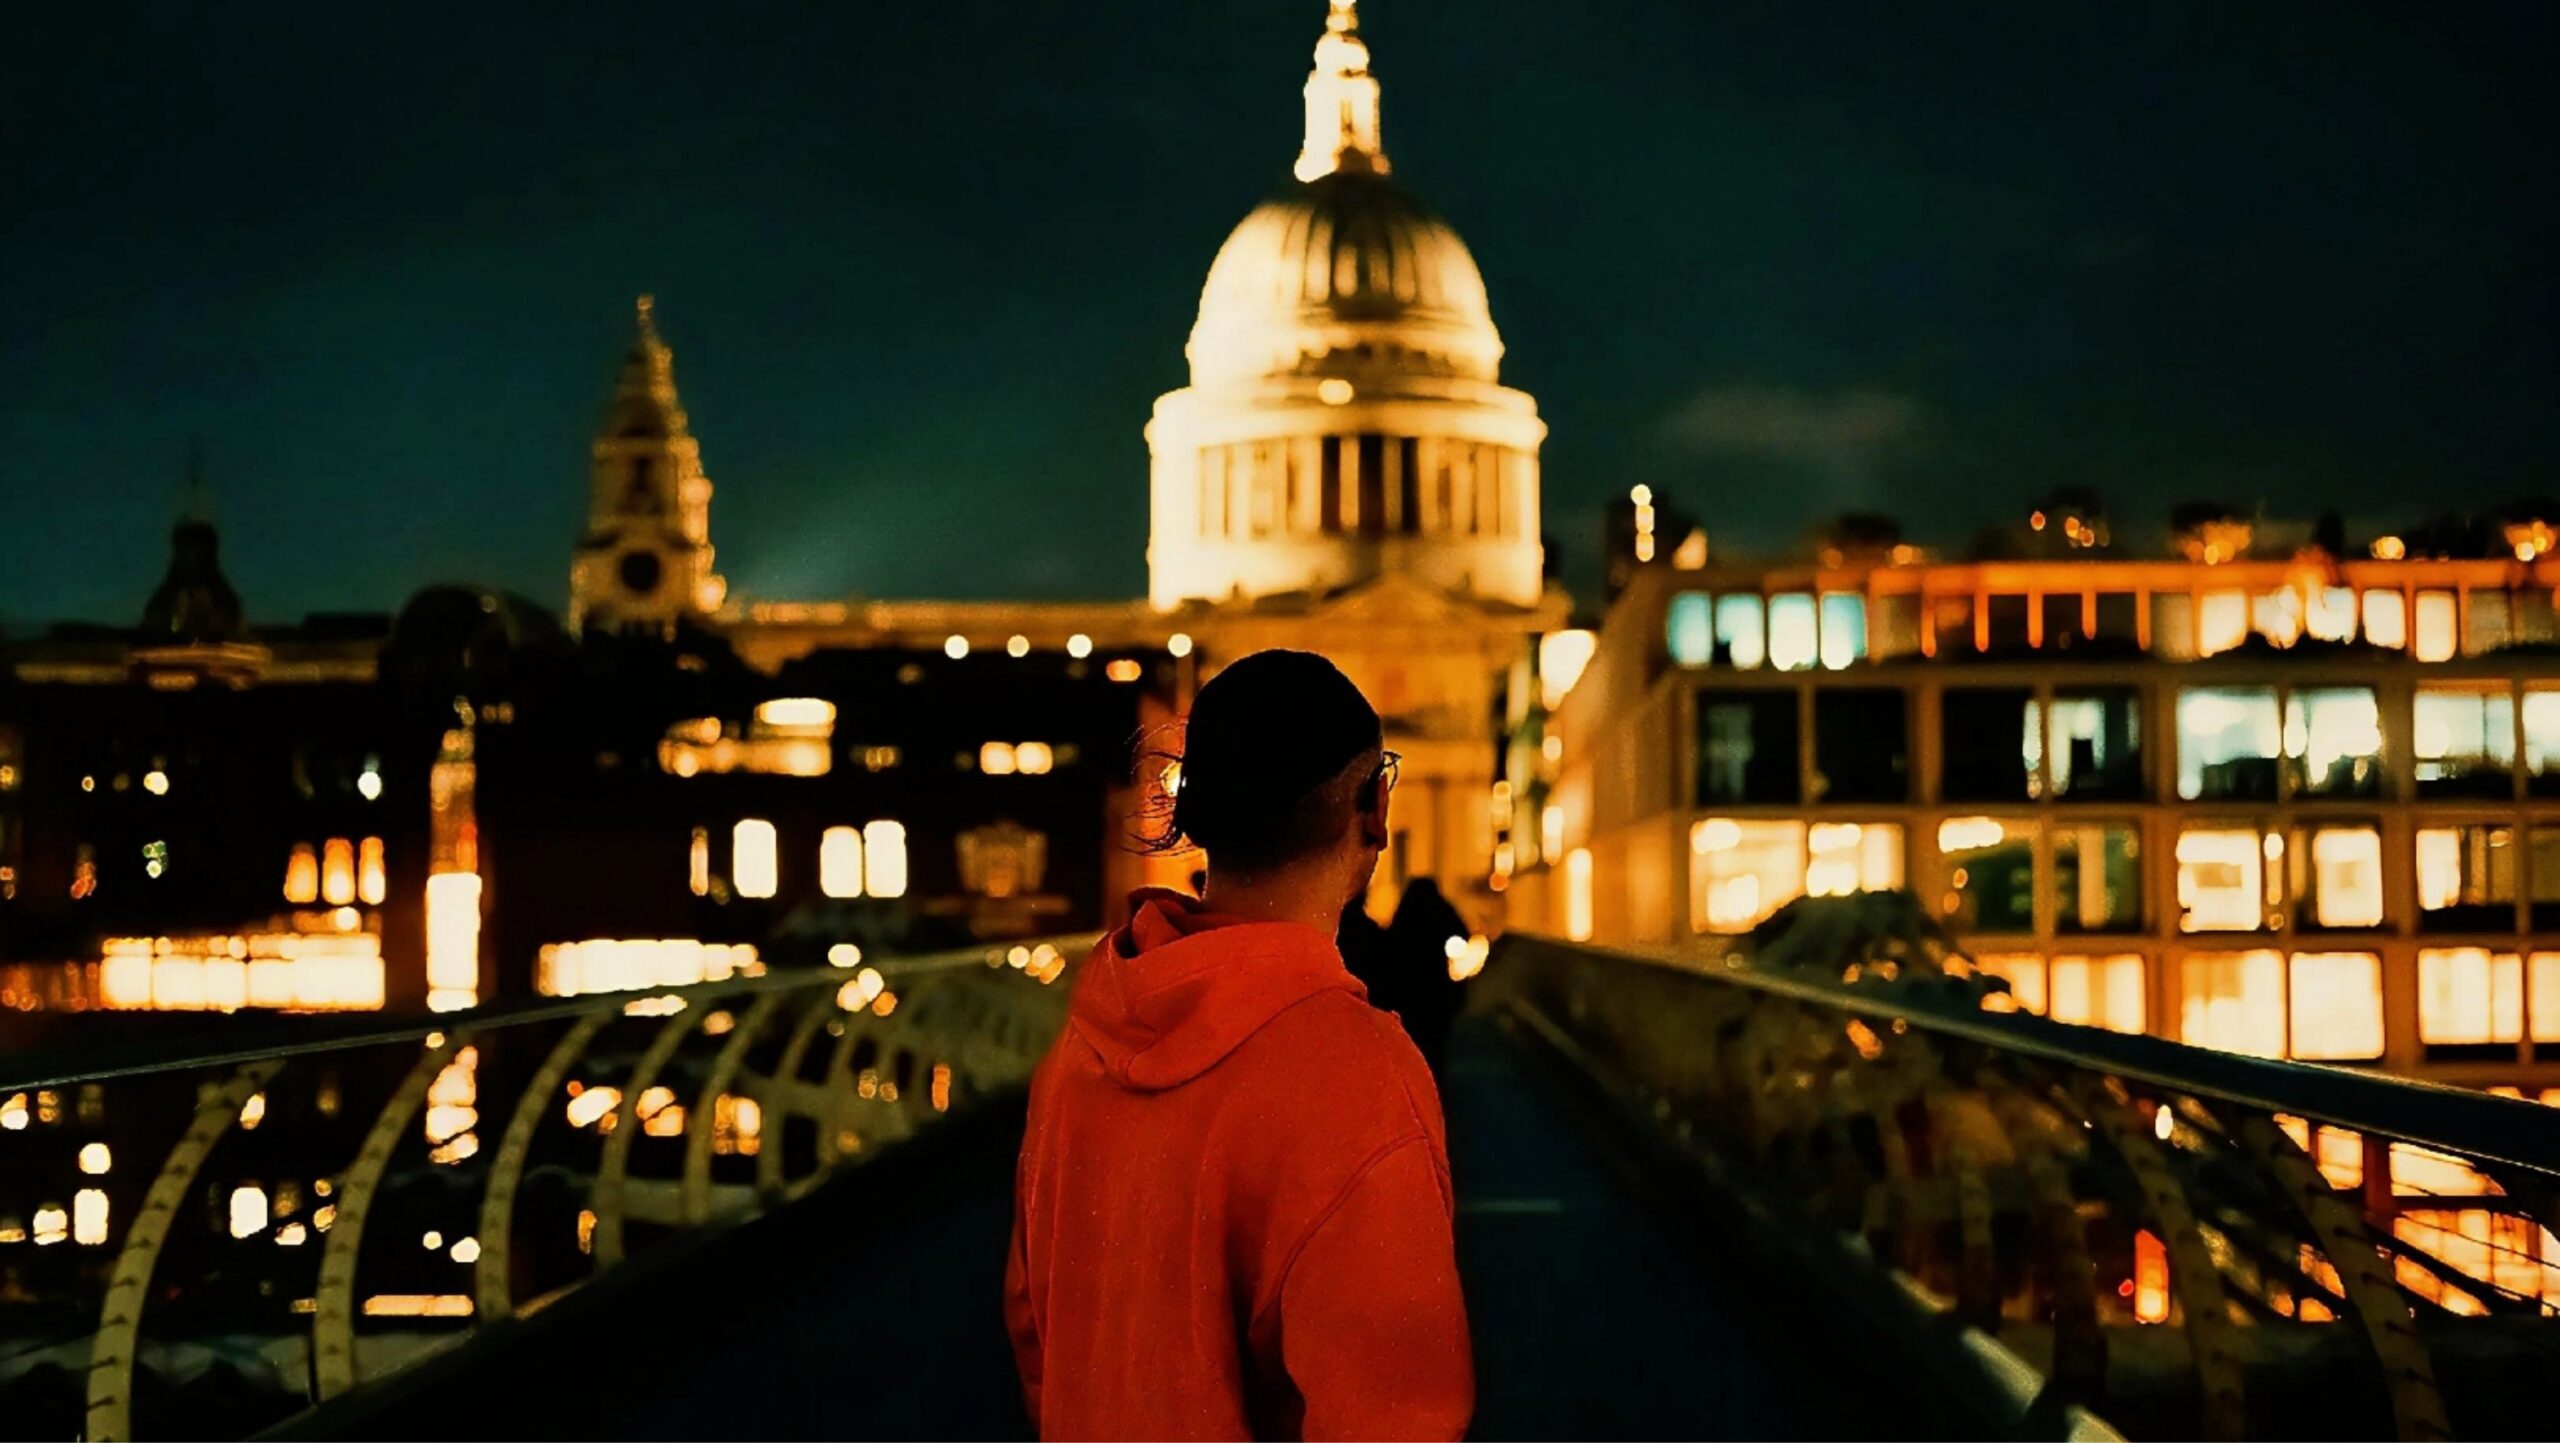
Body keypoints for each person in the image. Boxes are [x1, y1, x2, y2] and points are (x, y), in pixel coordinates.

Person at [1005, 650, 1473, 1441]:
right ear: (1375, 807)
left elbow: (1035, 1333)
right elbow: (1394, 1415)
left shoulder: (1080, 1048)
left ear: (1199, 816)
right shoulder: (1360, 1076)